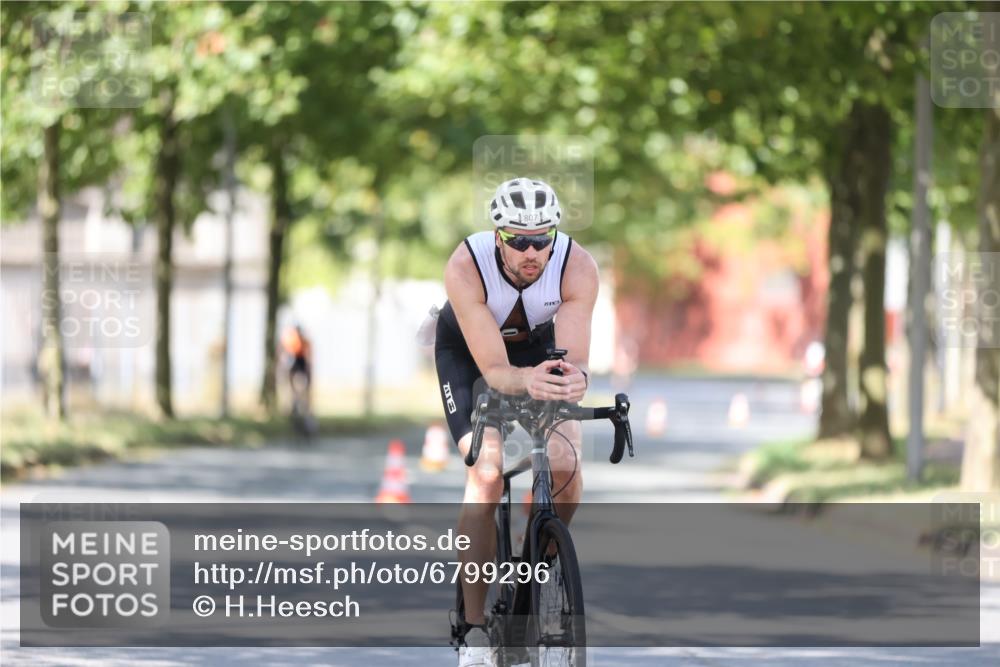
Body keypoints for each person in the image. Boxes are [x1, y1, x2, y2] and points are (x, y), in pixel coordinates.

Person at [434, 177, 599, 666]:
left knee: (567, 465)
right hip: (473, 355)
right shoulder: (467, 266)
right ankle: (475, 628)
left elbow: (575, 364)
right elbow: (497, 372)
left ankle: (535, 561)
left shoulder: (578, 267)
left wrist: (573, 383)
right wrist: (524, 381)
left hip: (538, 350)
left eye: (542, 239)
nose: (532, 251)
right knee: (485, 473)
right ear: (497, 235)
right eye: (519, 240)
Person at [280, 324, 313, 415]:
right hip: (295, 365)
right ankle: (294, 405)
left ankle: (302, 405)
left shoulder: (303, 342)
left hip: (300, 364)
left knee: (301, 387)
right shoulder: (291, 342)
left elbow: (307, 357)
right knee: (293, 387)